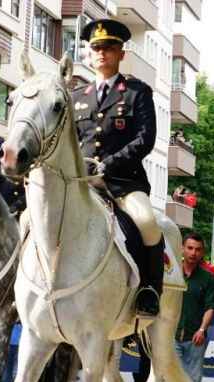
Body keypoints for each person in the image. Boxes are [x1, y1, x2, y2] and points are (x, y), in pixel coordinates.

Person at [72, 19, 161, 318]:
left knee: (147, 223)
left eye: (108, 48)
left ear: (121, 53)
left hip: (123, 182)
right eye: (96, 48)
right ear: (88, 53)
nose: (101, 53)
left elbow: (145, 140)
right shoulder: (76, 97)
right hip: (80, 182)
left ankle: (148, 289)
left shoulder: (137, 92)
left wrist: (109, 164)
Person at [153, 233, 214, 382]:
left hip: (195, 337)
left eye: (197, 249)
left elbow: (210, 307)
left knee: (194, 379)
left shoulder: (207, 278)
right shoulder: (169, 273)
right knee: (169, 377)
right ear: (182, 249)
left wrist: (202, 329)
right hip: (171, 335)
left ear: (202, 252)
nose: (193, 253)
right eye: (190, 248)